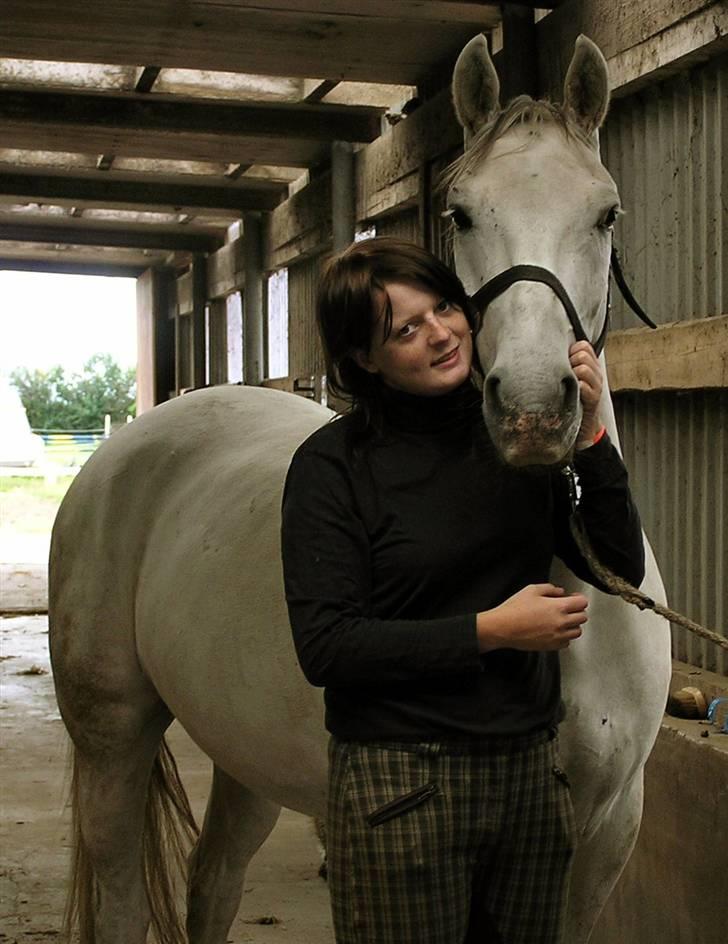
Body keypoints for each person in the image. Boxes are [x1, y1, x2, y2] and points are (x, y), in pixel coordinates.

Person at [280, 237, 644, 944]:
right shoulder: (333, 467)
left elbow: (617, 568)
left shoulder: (515, 438)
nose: (441, 333)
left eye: (444, 307)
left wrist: (592, 435)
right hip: (400, 783)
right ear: (364, 359)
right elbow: (327, 647)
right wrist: (492, 630)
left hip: (530, 778)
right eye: (405, 330)